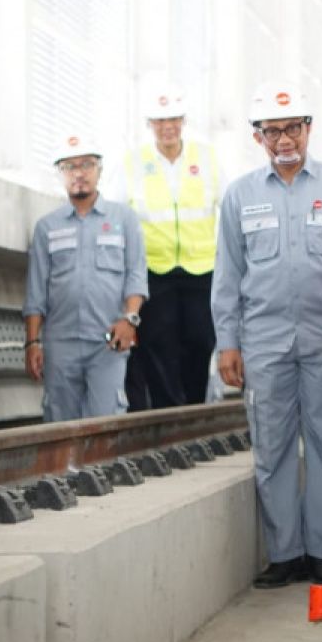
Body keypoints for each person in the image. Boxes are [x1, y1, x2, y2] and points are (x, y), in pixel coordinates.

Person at [211, 82, 322, 589]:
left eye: (293, 128)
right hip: (264, 340)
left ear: (309, 129)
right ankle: (286, 553)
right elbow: (227, 274)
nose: (284, 138)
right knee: (272, 449)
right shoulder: (240, 195)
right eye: (273, 131)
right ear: (258, 137)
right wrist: (228, 341)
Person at [23, 136, 148, 422]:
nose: (79, 173)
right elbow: (35, 293)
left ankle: (105, 470)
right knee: (59, 425)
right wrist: (32, 344)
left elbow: (136, 275)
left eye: (87, 164)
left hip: (107, 341)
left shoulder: (124, 219)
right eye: (69, 167)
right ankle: (64, 470)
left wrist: (130, 320)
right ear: (60, 174)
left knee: (106, 420)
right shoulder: (47, 228)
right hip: (60, 344)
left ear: (99, 170)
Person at [120, 82, 221, 410]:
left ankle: (192, 408)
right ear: (150, 125)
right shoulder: (133, 162)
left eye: (174, 120)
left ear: (183, 121)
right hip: (154, 269)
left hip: (201, 268)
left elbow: (230, 206)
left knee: (200, 341)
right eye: (160, 121)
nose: (167, 128)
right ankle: (169, 416)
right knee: (158, 345)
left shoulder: (206, 158)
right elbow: (118, 213)